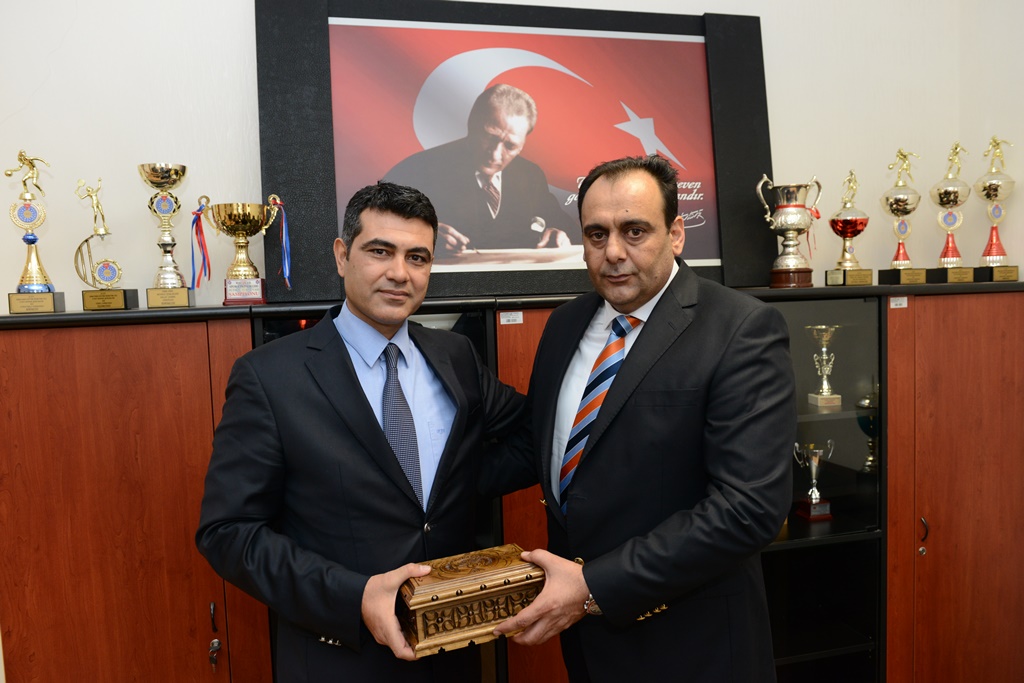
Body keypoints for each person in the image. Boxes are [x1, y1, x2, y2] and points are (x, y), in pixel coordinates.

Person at [484, 154, 797, 682]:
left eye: (634, 231)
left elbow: (748, 509)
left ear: (676, 234)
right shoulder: (565, 325)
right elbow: (540, 447)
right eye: (596, 234)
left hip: (692, 644)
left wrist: (593, 586)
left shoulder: (741, 329)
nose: (613, 252)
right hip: (588, 642)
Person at [196, 182, 523, 683]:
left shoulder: (455, 356)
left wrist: (463, 484)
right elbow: (228, 533)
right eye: (380, 251)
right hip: (339, 657)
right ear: (342, 255)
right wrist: (355, 596)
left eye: (417, 257)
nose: (400, 272)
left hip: (450, 652)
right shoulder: (270, 377)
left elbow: (523, 438)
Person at [385, 83, 575, 256]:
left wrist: (557, 233)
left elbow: (564, 227)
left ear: (523, 144)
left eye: (510, 146)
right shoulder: (416, 170)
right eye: (490, 137)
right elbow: (378, 226)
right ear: (472, 125)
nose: (495, 154)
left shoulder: (530, 176)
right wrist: (423, 236)